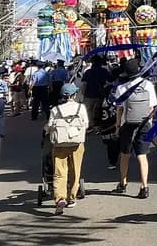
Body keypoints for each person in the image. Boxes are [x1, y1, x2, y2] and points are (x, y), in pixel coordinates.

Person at [112, 59, 157, 198]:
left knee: (125, 155)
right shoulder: (148, 85)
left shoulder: (122, 88)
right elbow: (152, 107)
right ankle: (144, 187)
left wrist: (117, 127)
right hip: (144, 124)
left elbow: (119, 110)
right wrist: (149, 121)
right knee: (142, 156)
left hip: (127, 125)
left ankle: (123, 183)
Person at [47, 83, 89, 215]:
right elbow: (86, 124)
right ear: (74, 95)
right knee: (75, 171)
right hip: (76, 143)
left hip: (59, 144)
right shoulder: (81, 108)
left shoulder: (55, 109)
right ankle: (71, 197)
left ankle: (60, 198)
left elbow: (50, 126)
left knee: (59, 172)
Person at [81, 55, 112, 125]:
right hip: (101, 94)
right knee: (99, 109)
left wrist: (83, 93)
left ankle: (90, 124)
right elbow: (109, 81)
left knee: (88, 110)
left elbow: (84, 84)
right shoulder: (104, 71)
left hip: (89, 94)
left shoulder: (88, 72)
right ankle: (98, 123)